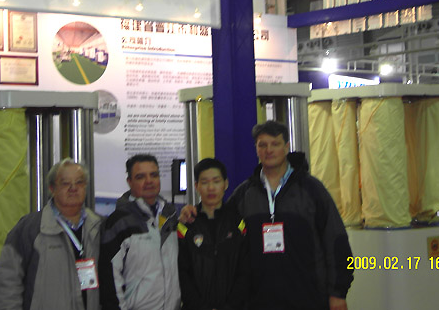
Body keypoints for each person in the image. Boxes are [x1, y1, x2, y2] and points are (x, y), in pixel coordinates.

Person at [181, 120, 353, 310]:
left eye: (275, 144)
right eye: (262, 145)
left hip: (308, 298)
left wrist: (338, 293)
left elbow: (336, 241)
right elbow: (219, 225)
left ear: (286, 147)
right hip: (258, 301)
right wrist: (191, 213)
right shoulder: (244, 194)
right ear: (256, 149)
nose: (268, 150)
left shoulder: (311, 190)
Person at [0, 158, 102, 310]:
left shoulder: (99, 227)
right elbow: (7, 283)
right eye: (65, 183)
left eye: (79, 182)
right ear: (52, 188)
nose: (73, 188)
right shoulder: (29, 229)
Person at [99, 154, 181, 310]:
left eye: (154, 175)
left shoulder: (170, 216)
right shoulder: (118, 222)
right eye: (140, 177)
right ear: (129, 182)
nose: (149, 181)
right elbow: (109, 279)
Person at [177, 158, 249, 310]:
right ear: (196, 186)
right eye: (204, 182)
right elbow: (182, 274)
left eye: (216, 181)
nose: (211, 188)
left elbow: (245, 271)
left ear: (225, 184)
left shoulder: (238, 222)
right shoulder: (187, 225)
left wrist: (230, 306)